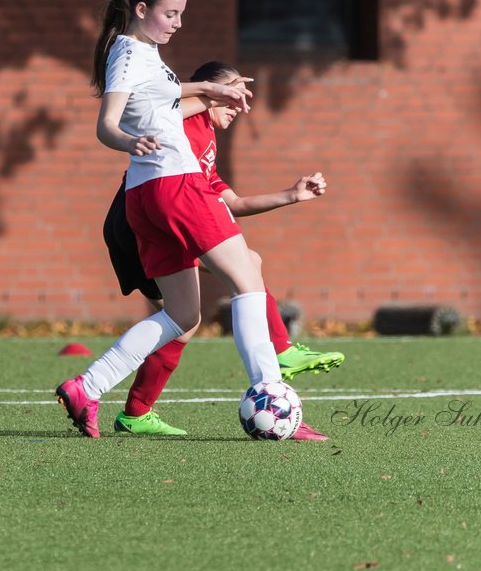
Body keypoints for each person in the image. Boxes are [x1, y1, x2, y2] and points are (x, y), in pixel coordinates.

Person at [56, 0, 292, 439]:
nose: (178, 22)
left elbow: (161, 106)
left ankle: (88, 385)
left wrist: (210, 93)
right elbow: (108, 123)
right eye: (170, 13)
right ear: (141, 10)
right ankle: (272, 395)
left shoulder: (145, 52)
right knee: (247, 276)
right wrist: (128, 141)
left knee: (183, 315)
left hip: (145, 197)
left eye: (181, 13)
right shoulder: (128, 53)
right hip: (173, 184)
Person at [106, 61, 343, 438]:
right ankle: (281, 352)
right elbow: (153, 110)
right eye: (231, 93)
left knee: (185, 322)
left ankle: (132, 412)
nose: (238, 104)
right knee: (245, 267)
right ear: (208, 93)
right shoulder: (184, 122)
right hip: (139, 224)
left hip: (157, 219)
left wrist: (291, 195)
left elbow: (228, 200)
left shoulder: (206, 139)